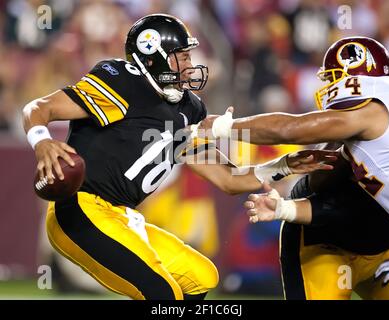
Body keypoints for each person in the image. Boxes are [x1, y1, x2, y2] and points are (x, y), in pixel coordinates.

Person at [22, 14, 334, 300]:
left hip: (120, 217)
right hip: (80, 211)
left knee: (202, 277)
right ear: (153, 55)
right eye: (183, 56)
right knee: (163, 294)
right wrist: (42, 142)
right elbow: (39, 108)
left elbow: (227, 179)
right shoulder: (122, 80)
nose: (190, 63)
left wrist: (283, 165)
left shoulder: (189, 108)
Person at [196, 36, 389, 299]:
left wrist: (225, 127)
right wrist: (286, 183)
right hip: (324, 240)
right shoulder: (362, 128)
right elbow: (316, 182)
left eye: (332, 77)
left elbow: (289, 129)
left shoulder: (369, 114)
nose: (329, 85)